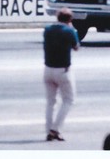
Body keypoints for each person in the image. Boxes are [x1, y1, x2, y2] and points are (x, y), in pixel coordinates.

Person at [43, 8, 80, 141]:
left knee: (50, 102)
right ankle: (55, 129)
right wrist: (73, 29)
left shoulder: (47, 30)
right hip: (63, 70)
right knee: (69, 100)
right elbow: (76, 47)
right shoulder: (69, 31)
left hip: (48, 69)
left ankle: (48, 130)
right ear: (70, 20)